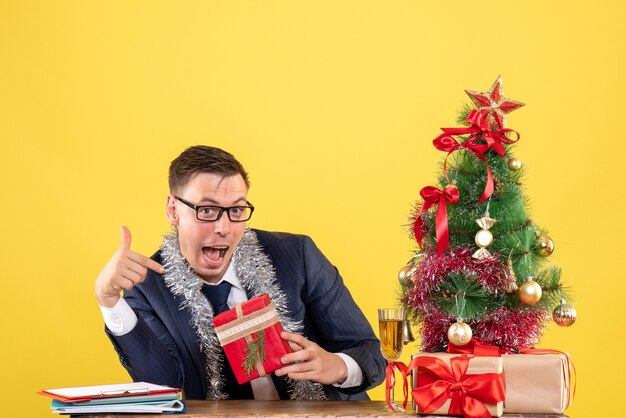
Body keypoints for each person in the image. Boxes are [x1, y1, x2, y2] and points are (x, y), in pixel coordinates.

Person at [95, 145, 386, 401]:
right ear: (173, 210)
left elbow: (369, 352)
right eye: (207, 210)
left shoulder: (298, 255)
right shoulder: (146, 286)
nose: (223, 228)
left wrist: (338, 366)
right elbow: (164, 387)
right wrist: (109, 301)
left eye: (236, 210)